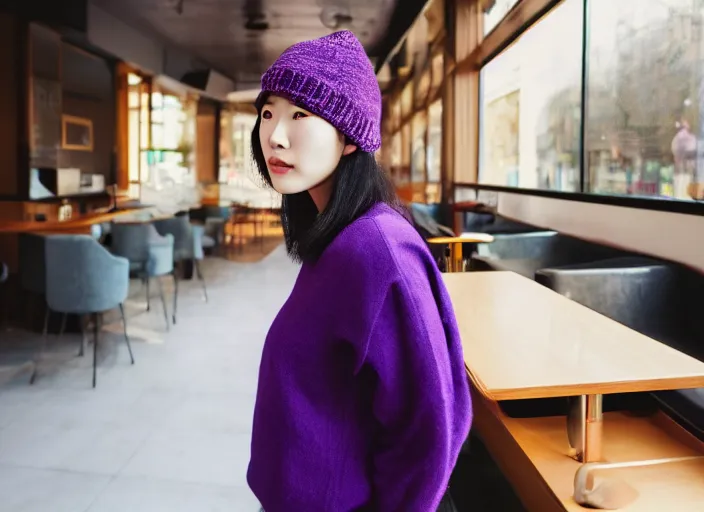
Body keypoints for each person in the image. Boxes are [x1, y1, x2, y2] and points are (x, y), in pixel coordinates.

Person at [246, 30, 472, 512]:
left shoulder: (377, 251)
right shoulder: (336, 241)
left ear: (349, 138)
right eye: (268, 113)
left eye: (300, 114)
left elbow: (432, 427)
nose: (275, 135)